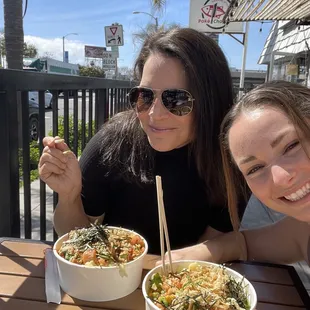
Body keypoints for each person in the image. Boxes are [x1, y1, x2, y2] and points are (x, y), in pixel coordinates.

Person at [38, 27, 246, 255]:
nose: (154, 114)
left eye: (176, 99)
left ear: (211, 103)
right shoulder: (112, 144)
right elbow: (73, 240)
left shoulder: (231, 161)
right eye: (145, 96)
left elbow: (213, 251)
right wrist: (69, 197)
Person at [167, 80, 310, 265]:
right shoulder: (303, 231)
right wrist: (205, 252)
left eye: (292, 145)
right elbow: (243, 244)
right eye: (255, 169)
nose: (281, 178)